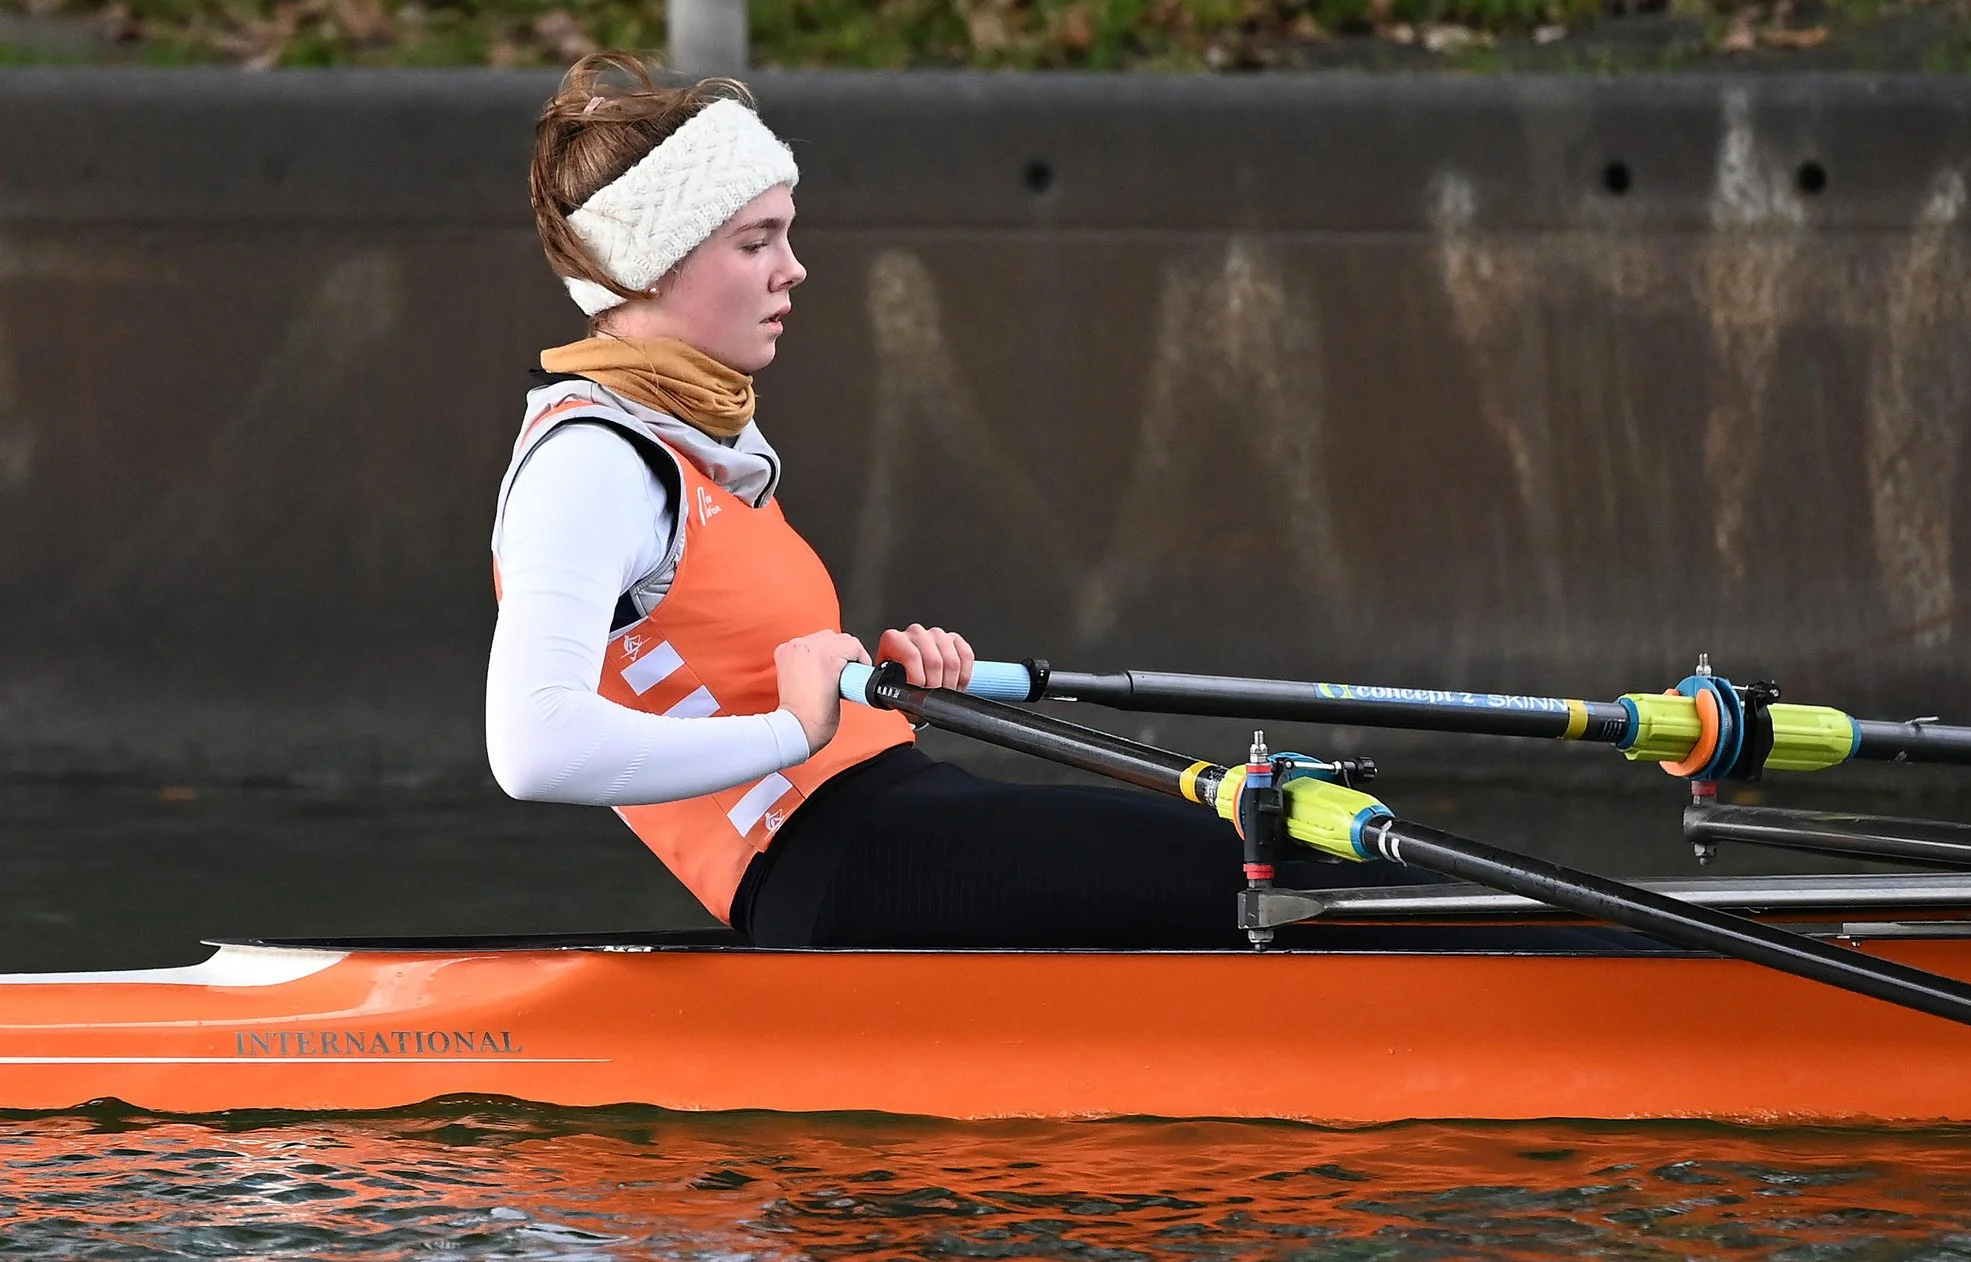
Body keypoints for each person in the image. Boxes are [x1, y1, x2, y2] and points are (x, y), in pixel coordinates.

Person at [490, 53, 1638, 953]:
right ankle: (1621, 986)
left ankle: (1595, 958)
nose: (795, 269)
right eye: (758, 240)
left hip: (896, 822)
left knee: (1284, 834)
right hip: (837, 865)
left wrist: (889, 687)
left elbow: (743, 670)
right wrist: (795, 728)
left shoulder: (701, 450)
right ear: (655, 265)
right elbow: (533, 747)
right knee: (1266, 865)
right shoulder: (594, 461)